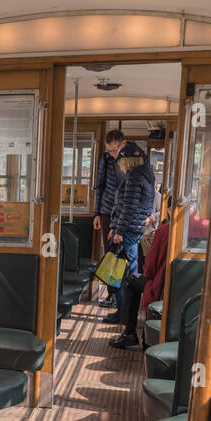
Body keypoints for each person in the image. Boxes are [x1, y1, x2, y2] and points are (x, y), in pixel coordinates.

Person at [108, 140, 158, 349]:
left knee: (124, 277)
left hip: (127, 231)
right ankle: (125, 319)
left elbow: (128, 207)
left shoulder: (135, 176)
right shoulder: (146, 174)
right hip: (135, 229)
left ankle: (126, 325)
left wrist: (118, 230)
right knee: (128, 274)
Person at [92, 130, 126, 304]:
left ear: (122, 144)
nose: (112, 154)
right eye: (109, 150)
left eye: (115, 150)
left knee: (123, 255)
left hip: (124, 214)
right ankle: (111, 294)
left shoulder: (132, 160)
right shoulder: (105, 160)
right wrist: (96, 213)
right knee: (109, 253)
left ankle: (123, 297)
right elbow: (100, 186)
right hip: (106, 211)